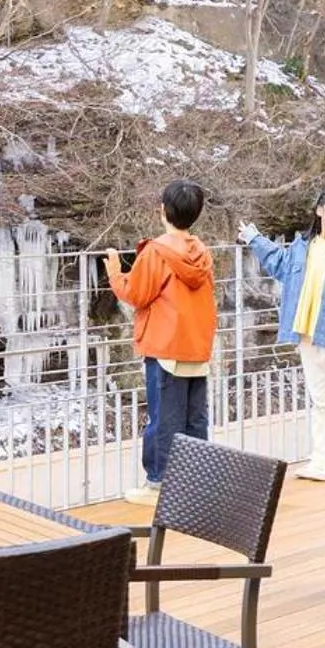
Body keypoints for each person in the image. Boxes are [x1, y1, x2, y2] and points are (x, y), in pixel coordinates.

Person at [240, 187, 325, 483]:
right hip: (306, 333)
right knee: (320, 399)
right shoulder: (302, 246)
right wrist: (255, 238)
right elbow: (278, 264)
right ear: (320, 211)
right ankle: (319, 458)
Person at [106, 181, 217, 507]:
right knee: (194, 418)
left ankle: (158, 485)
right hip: (197, 344)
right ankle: (196, 482)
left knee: (164, 418)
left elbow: (136, 294)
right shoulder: (202, 252)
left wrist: (115, 272)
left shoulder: (157, 251)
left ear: (163, 210)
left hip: (165, 345)